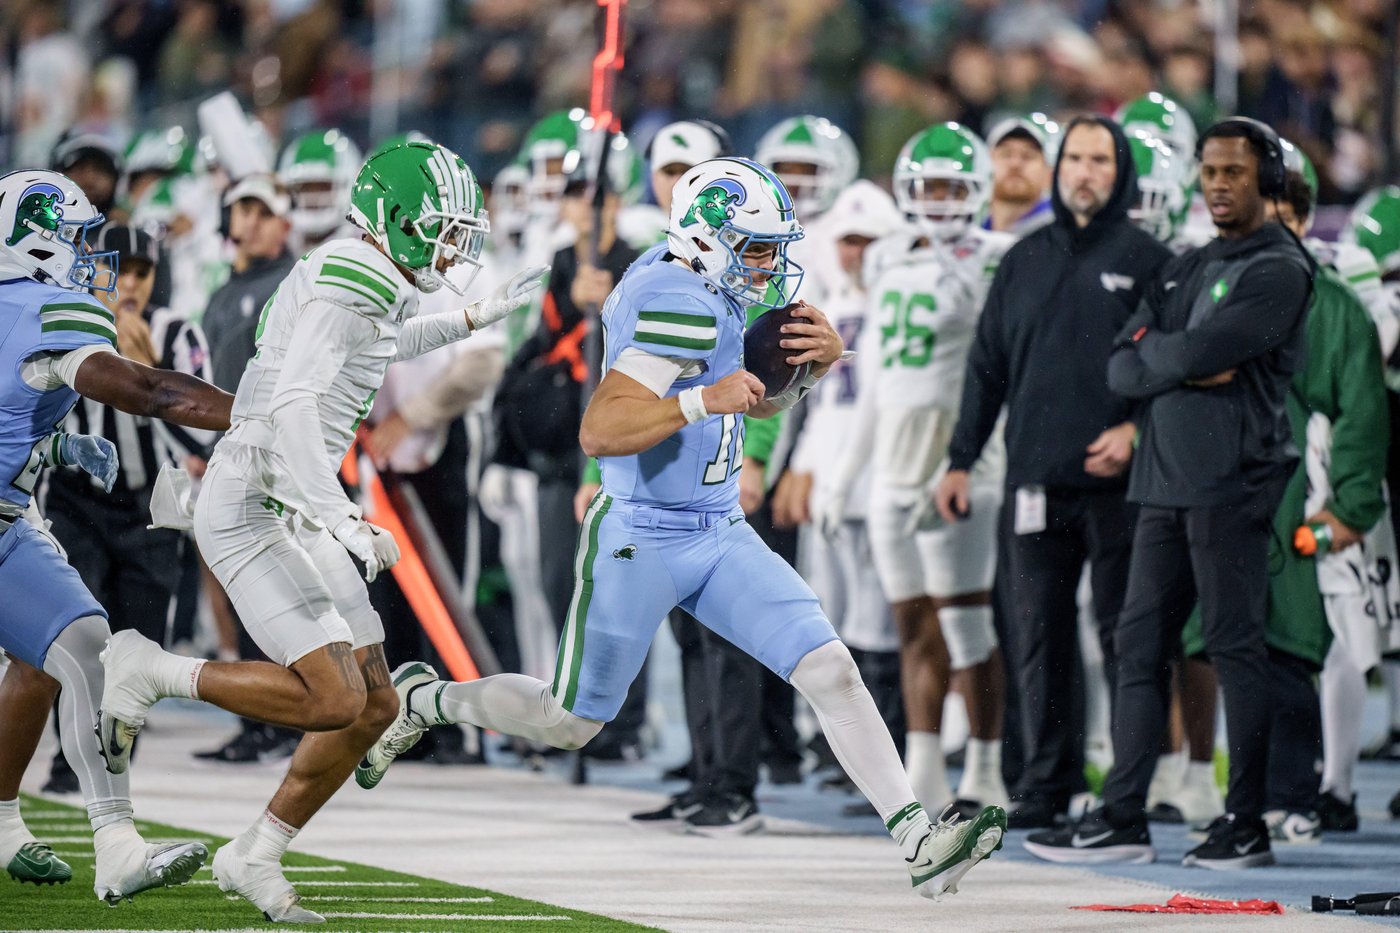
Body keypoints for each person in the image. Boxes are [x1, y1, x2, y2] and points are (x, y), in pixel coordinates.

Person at [360, 157, 1009, 898]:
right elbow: (602, 430)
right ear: (708, 237)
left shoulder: (704, 283)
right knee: (567, 720)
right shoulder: (677, 298)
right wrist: (706, 401)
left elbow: (751, 402)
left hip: (717, 526)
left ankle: (919, 839)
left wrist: (811, 371)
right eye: (757, 248)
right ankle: (426, 700)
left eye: (773, 248)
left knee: (829, 667)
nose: (770, 266)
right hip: (642, 534)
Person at [96, 140, 548, 923]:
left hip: (287, 496)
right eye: (440, 228)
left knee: (374, 706)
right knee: (336, 697)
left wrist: (471, 317)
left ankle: (256, 853)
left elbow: (383, 345)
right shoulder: (353, 277)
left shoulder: (369, 270)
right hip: (257, 499)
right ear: (395, 220)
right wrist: (338, 513)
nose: (451, 245)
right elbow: (296, 407)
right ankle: (152, 671)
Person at [1024, 117, 1314, 869]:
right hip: (1160, 483)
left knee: (1233, 647)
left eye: (1236, 173)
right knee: (1138, 647)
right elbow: (1122, 365)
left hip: (1233, 483)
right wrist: (1173, 360)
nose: (1219, 185)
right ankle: (1123, 813)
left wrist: (1166, 354)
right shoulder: (1189, 265)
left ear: (1269, 181)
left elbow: (1193, 348)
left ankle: (1244, 820)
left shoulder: (1279, 267)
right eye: (1211, 172)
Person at [0, 169, 231, 901]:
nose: (89, 255)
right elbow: (149, 390)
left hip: (8, 520)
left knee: (81, 646)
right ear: (34, 242)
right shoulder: (47, 310)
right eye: (75, 238)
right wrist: (263, 411)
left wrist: (58, 449)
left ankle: (110, 843)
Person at [936, 115, 1171, 829]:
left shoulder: (1151, 259)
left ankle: (1124, 790)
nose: (1085, 171)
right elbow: (987, 366)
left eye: (1100, 159)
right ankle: (1045, 783)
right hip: (1033, 481)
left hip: (1120, 488)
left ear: (1121, 171)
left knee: (1122, 640)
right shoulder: (1023, 258)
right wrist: (960, 457)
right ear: (1058, 168)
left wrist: (1136, 429)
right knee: (1035, 636)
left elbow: (1175, 366)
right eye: (1075, 158)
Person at [820, 123, 1014, 816]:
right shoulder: (887, 257)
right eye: (926, 187)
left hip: (961, 461)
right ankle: (924, 770)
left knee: (965, 624)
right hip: (894, 466)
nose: (936, 200)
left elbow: (1000, 360)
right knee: (911, 624)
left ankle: (986, 769)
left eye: (950, 187)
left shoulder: (998, 255)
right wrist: (846, 470)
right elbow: (875, 374)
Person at [40, 225, 214, 794]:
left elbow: (200, 444)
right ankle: (70, 766)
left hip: (148, 508)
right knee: (80, 637)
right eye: (122, 269)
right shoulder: (64, 323)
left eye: (142, 273)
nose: (131, 284)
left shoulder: (178, 333)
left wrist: (153, 369)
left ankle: (116, 775)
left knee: (137, 646)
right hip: (75, 503)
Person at [194, 174, 302, 763]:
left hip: (277, 459)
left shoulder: (292, 282)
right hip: (226, 453)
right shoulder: (221, 291)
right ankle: (258, 718)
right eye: (243, 210)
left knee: (274, 591)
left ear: (285, 221)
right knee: (235, 593)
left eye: (264, 212)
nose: (252, 222)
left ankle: (286, 718)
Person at [981, 116, 1055, 237]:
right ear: (985, 166)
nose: (1015, 164)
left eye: (1028, 156)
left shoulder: (1063, 235)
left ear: (1049, 174)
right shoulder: (966, 231)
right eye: (1005, 154)